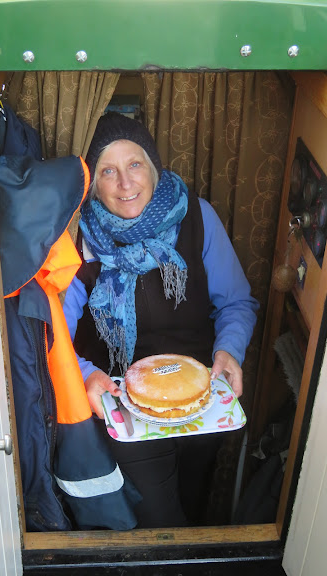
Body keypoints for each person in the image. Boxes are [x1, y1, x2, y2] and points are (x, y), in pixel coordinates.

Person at [63, 112, 259, 528]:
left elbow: (236, 303)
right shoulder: (79, 239)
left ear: (152, 167)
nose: (125, 183)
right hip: (125, 407)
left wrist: (229, 350)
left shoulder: (198, 218)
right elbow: (54, 334)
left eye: (134, 164)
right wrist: (85, 374)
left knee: (194, 499)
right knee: (161, 521)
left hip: (201, 401)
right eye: (108, 171)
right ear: (93, 184)